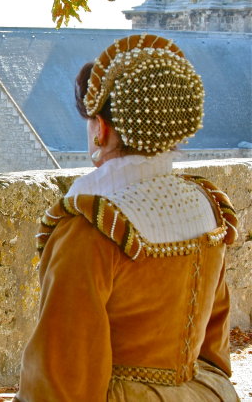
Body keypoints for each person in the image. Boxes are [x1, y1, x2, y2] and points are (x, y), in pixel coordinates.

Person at [17, 34, 239, 401]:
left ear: (100, 128)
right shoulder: (208, 206)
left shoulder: (93, 225)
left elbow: (62, 377)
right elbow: (214, 347)